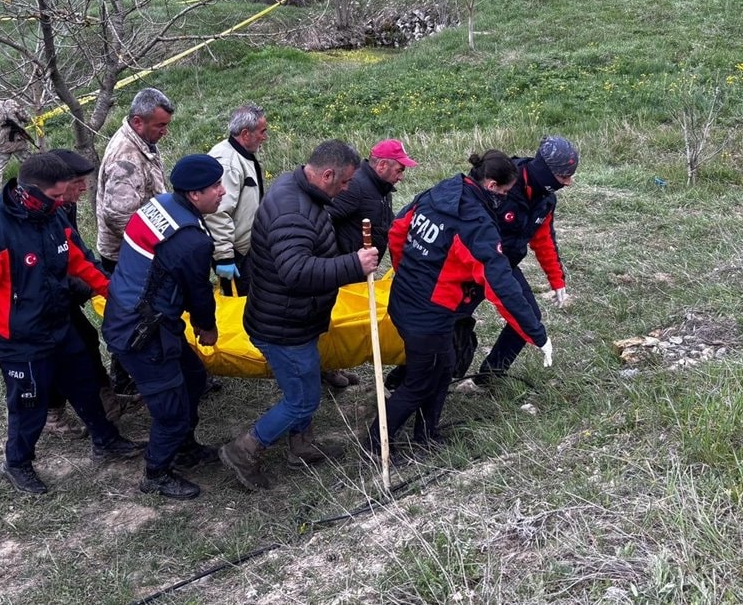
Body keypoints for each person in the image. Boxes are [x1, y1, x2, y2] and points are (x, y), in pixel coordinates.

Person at [367, 150, 553, 461]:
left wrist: (407, 269)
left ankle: (426, 435)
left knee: (443, 369)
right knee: (419, 381)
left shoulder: (442, 190)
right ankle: (376, 444)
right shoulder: (475, 223)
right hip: (428, 313)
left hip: (406, 298)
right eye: (505, 193)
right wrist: (537, 334)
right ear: (492, 186)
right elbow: (500, 284)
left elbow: (399, 228)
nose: (506, 199)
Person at [0, 153, 144, 495]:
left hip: (59, 324)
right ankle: (17, 462)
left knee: (84, 382)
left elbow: (80, 262)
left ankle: (105, 439)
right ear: (30, 192)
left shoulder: (52, 216)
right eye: (56, 196)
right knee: (29, 404)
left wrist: (117, 296)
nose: (63, 202)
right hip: (20, 339)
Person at [218, 139, 379, 491]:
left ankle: (301, 448)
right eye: (346, 182)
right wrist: (354, 264)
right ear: (326, 174)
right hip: (283, 326)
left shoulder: (299, 189)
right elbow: (296, 271)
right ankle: (244, 449)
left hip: (291, 317)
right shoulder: (293, 209)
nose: (348, 189)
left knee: (304, 386)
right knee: (303, 398)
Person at [102, 154, 225, 500]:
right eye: (215, 187)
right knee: (170, 411)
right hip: (142, 332)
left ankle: (185, 448)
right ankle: (156, 474)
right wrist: (207, 327)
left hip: (142, 318)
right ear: (194, 195)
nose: (223, 192)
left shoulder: (161, 205)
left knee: (194, 378)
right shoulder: (191, 240)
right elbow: (197, 291)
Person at [460, 135, 579, 391]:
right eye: (563, 177)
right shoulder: (502, 185)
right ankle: (406, 381)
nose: (568, 183)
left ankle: (488, 378)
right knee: (451, 323)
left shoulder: (546, 200)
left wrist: (557, 281)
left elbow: (544, 238)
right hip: (469, 265)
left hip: (505, 265)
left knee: (528, 317)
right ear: (546, 173)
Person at [43, 149, 135, 437]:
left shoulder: (64, 206)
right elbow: (50, 270)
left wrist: (99, 278)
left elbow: (78, 250)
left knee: (87, 339)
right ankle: (52, 412)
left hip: (67, 295)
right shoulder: (44, 212)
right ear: (59, 183)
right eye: (78, 183)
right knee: (60, 353)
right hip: (47, 303)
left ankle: (105, 396)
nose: (85, 188)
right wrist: (84, 285)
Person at [96, 87, 173, 395]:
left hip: (140, 249)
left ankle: (140, 372)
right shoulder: (125, 157)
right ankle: (126, 380)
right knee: (133, 317)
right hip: (128, 255)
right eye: (160, 126)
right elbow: (118, 215)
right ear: (138, 121)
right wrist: (153, 247)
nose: (164, 132)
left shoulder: (141, 142)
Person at [324, 138, 417, 388]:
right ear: (383, 165)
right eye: (400, 169)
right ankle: (326, 367)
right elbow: (323, 217)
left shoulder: (379, 188)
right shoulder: (356, 188)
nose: (401, 177)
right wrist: (339, 256)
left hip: (358, 267)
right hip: (344, 267)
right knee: (335, 319)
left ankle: (331, 366)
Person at [203, 104, 267, 297]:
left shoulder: (241, 154)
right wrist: (224, 257)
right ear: (246, 134)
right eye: (262, 132)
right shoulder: (227, 163)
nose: (265, 137)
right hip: (235, 255)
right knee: (240, 305)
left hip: (246, 249)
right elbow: (216, 213)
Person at [0, 88, 34, 194]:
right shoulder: (9, 102)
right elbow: (26, 117)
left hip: (1, 144)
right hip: (18, 141)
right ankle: (34, 184)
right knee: (29, 163)